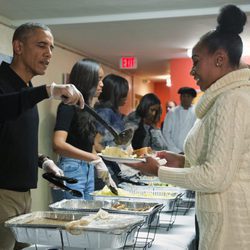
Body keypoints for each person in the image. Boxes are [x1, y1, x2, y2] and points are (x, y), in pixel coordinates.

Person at [128, 5, 250, 250]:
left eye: (196, 62)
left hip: (230, 223)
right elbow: (220, 161)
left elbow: (215, 177)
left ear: (219, 59)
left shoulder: (232, 100)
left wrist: (159, 172)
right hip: (219, 215)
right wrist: (181, 161)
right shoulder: (222, 100)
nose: (192, 71)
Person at [0, 22, 84, 250]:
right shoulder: (5, 83)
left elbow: (11, 139)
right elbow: (5, 106)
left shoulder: (26, 89)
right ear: (18, 47)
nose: (48, 54)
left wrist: (43, 161)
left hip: (24, 196)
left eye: (52, 48)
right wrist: (49, 90)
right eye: (41, 45)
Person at [52, 59, 116, 201]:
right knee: (73, 217)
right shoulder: (67, 105)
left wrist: (100, 163)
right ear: (87, 79)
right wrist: (94, 158)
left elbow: (87, 145)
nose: (102, 84)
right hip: (72, 167)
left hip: (86, 167)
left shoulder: (86, 107)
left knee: (86, 216)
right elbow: (58, 144)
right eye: (99, 79)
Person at [94, 74, 129, 188]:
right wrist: (116, 154)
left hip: (111, 165)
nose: (126, 98)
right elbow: (96, 144)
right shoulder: (105, 112)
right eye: (124, 94)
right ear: (116, 94)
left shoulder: (113, 112)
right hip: (104, 167)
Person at [162, 87, 197, 154]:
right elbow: (166, 133)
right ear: (180, 97)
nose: (185, 98)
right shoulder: (172, 113)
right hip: (173, 152)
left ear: (192, 98)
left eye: (188, 96)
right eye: (183, 96)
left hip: (192, 151)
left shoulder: (197, 113)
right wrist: (176, 151)